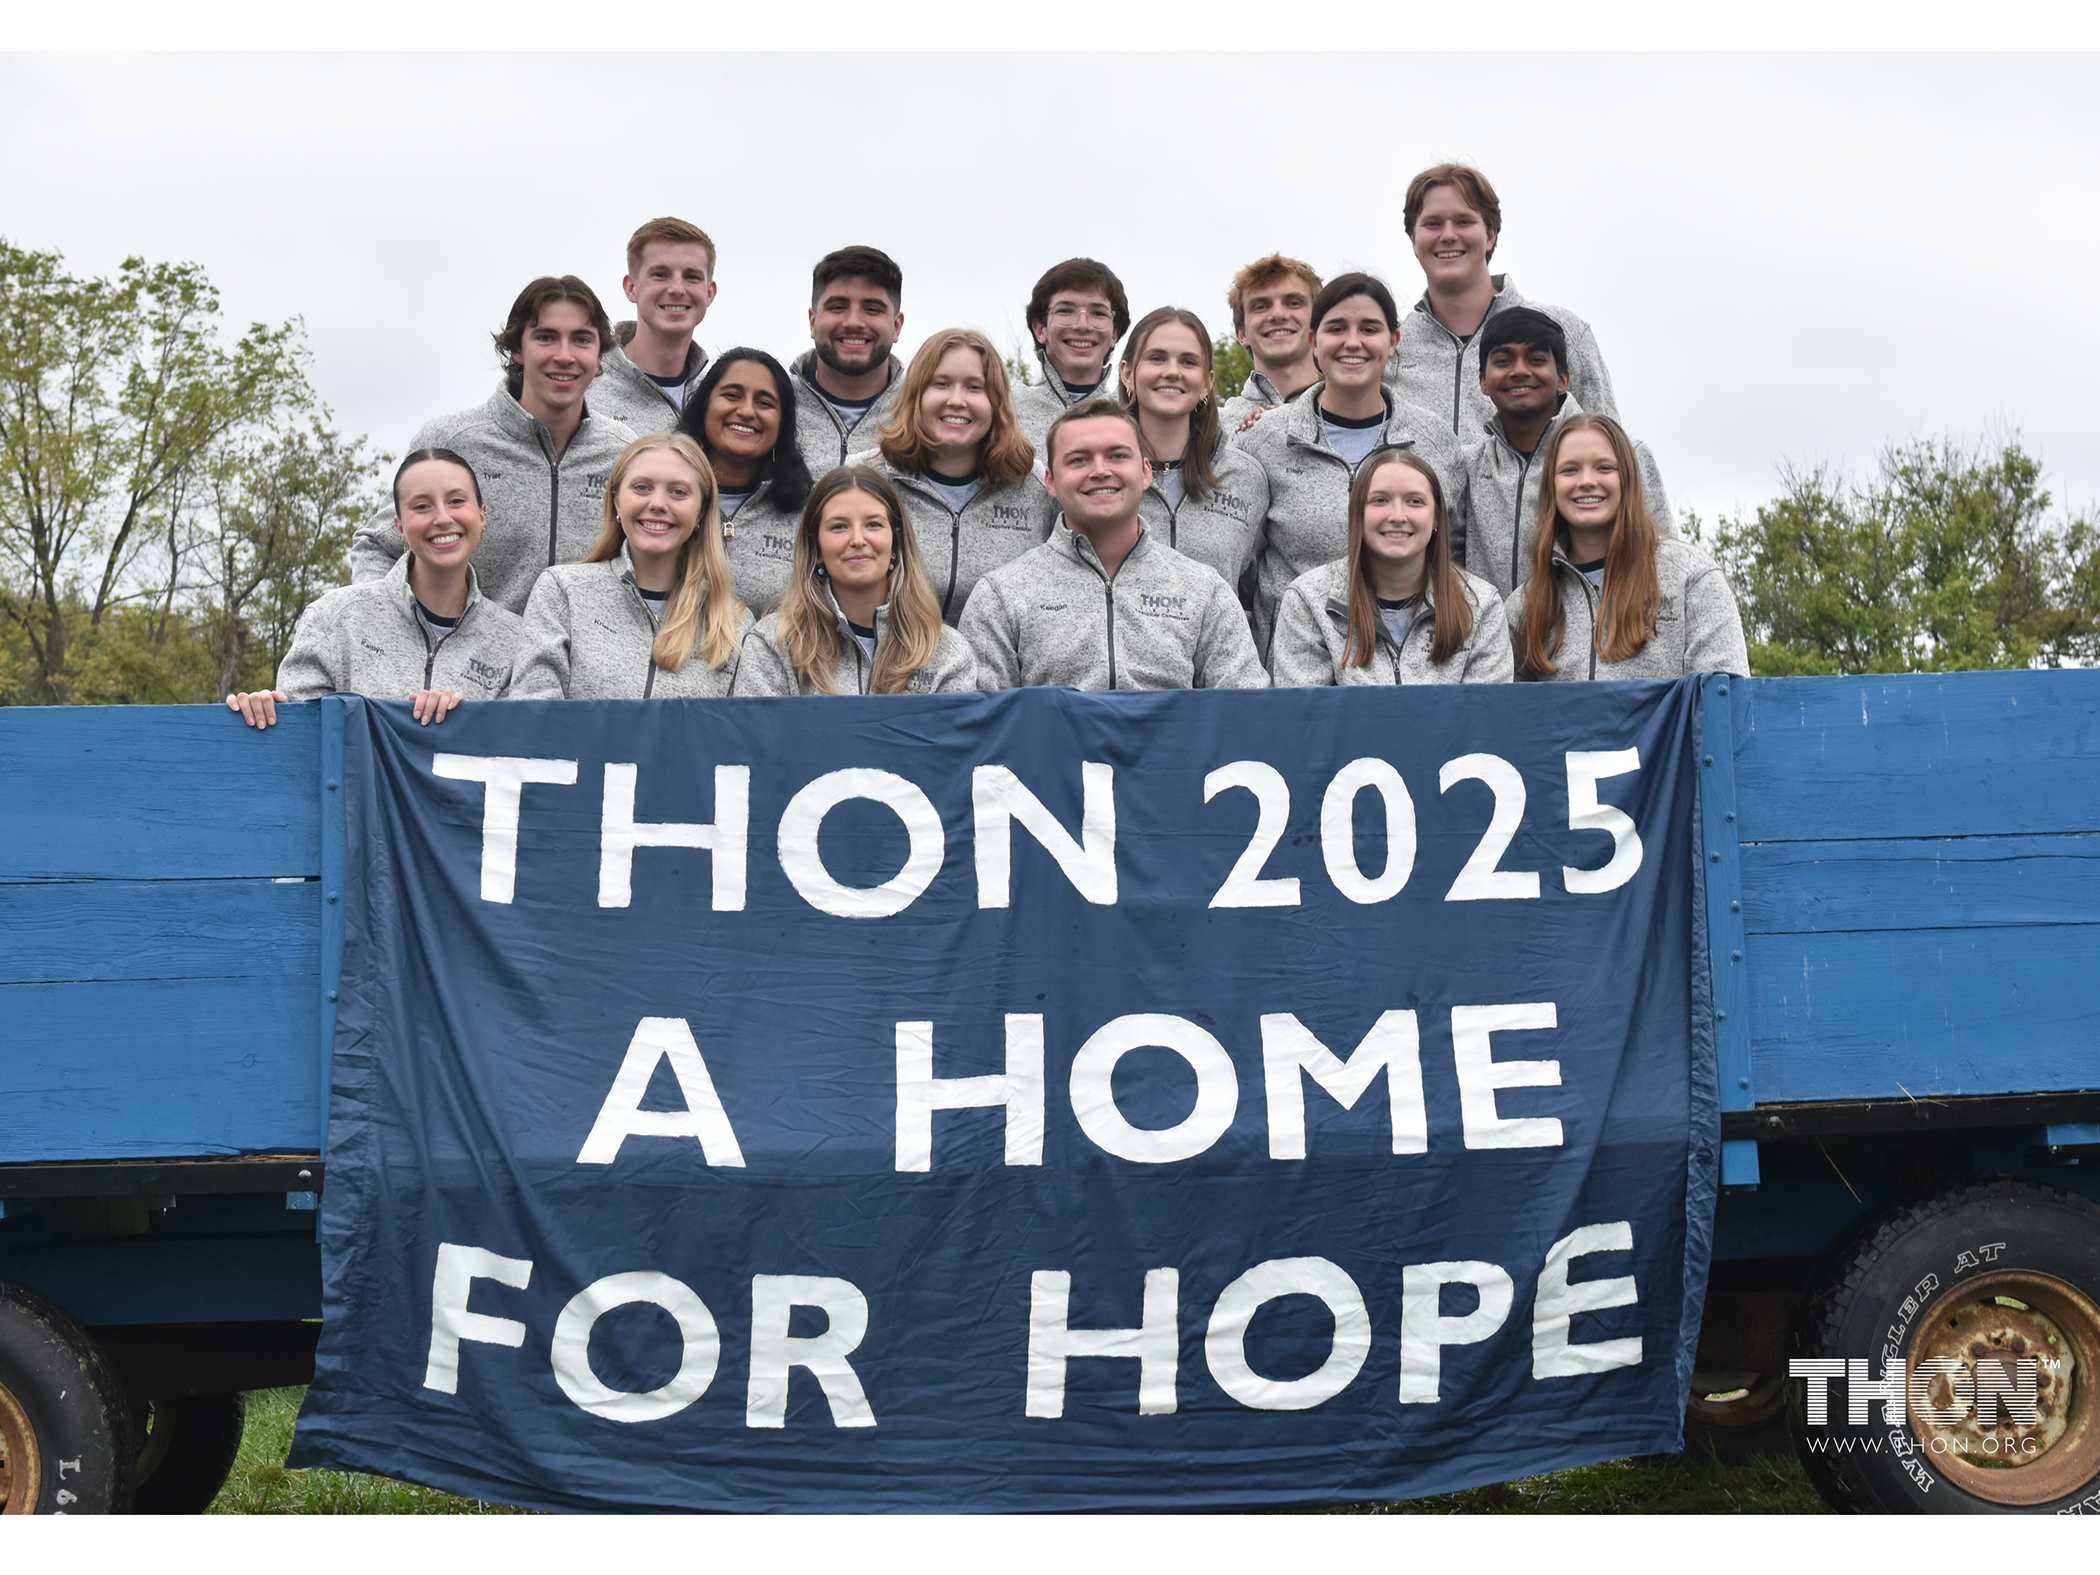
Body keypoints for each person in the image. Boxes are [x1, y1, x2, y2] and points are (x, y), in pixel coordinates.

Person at [348, 276, 637, 615]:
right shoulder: (452, 442)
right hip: (470, 666)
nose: (564, 355)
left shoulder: (626, 455)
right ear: (517, 349)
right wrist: (391, 638)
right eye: (546, 337)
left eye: (581, 340)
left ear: (601, 355)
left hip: (584, 669)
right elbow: (378, 547)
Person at [960, 400, 1267, 692]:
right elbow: (983, 729)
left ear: (1146, 472)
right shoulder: (1001, 596)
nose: (1100, 471)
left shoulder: (1204, 591)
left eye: (1118, 456)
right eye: (1079, 459)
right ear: (1051, 481)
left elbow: (1246, 713)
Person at [1238, 273, 1460, 653]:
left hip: (1411, 668)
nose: (1352, 342)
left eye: (1369, 329)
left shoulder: (1435, 442)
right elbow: (1241, 564)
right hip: (1296, 667)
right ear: (1313, 342)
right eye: (1337, 328)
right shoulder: (1265, 439)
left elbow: (1454, 558)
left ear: (1393, 342)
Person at [228, 450, 525, 728]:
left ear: (482, 515)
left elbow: (519, 752)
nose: (443, 518)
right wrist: (261, 713)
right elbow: (300, 738)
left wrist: (461, 725)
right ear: (399, 527)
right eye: (422, 506)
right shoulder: (334, 618)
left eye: (456, 501)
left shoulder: (517, 641)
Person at [1507, 413, 1748, 682]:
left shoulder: (1692, 578)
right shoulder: (1524, 606)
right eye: (1570, 470)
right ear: (1551, 486)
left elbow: (1725, 700)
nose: (1586, 481)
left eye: (1604, 468)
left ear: (1628, 480)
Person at [510, 432, 750, 698]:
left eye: (678, 492)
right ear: (616, 502)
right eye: (642, 488)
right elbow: (533, 710)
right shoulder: (562, 591)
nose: (658, 503)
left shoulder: (734, 623)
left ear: (701, 513)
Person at [1456, 307, 1675, 598]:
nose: (1520, 371)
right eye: (1503, 361)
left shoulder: (1626, 456)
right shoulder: (1465, 467)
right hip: (1491, 640)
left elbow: (1664, 559)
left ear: (1563, 379)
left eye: (1536, 360)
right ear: (1483, 381)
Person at [1390, 163, 1618, 439]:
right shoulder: (1390, 350)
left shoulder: (1565, 332)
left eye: (1463, 221)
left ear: (1490, 235)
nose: (1448, 235)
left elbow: (1615, 454)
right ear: (1414, 238)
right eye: (1433, 224)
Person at [846, 329, 1056, 623]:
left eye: (974, 387)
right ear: (916, 395)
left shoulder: (1036, 485)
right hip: (888, 662)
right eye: (941, 384)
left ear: (996, 402)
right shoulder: (861, 479)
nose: (957, 400)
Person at [1269, 449, 1510, 687]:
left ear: (1436, 517)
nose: (1397, 516)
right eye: (1380, 500)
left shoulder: (1480, 605)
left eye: (1414, 501)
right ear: (1358, 514)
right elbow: (1307, 719)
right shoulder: (1309, 601)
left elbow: (1485, 718)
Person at [734, 467, 979, 697]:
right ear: (816, 548)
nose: (858, 540)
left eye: (873, 524)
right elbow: (755, 741)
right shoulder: (773, 644)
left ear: (896, 542)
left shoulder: (947, 652)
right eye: (839, 527)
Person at [1116, 306, 1268, 591]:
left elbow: (1255, 594)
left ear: (1206, 383)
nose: (1172, 372)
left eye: (1188, 362)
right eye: (1157, 358)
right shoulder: (1097, 474)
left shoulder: (1244, 477)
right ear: (1127, 374)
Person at [675, 348, 814, 616]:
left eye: (765, 403)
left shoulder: (810, 514)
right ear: (704, 405)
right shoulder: (660, 495)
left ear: (782, 422)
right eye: (732, 396)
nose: (747, 411)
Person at [591, 217, 718, 434]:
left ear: (709, 293)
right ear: (631, 288)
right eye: (660, 275)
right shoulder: (585, 390)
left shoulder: (720, 399)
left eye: (692, 277)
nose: (677, 289)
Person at [791, 246, 907, 478]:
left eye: (872, 309)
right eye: (838, 307)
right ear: (813, 322)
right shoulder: (771, 407)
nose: (854, 322)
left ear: (896, 326)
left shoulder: (923, 413)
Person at [1012, 258, 1130, 453]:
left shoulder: (1135, 412)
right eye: (1065, 310)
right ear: (1040, 329)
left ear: (1114, 334)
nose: (1082, 325)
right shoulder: (1004, 408)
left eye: (1098, 313)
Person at [1217, 254, 1323, 433]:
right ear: (1242, 333)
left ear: (1319, 323)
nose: (1278, 315)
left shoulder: (1359, 414)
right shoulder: (1214, 429)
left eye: (1294, 303)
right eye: (1261, 306)